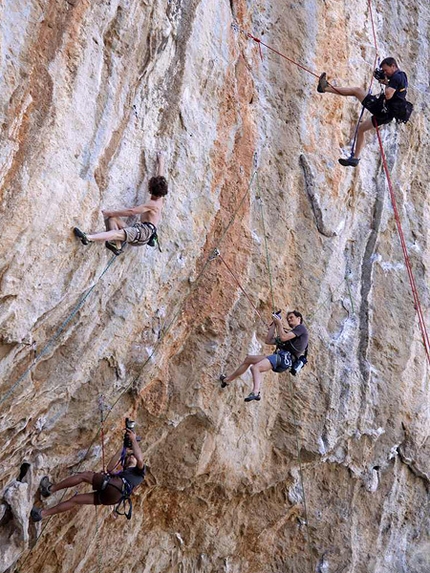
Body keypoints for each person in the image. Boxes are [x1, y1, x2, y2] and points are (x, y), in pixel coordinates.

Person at [30, 428, 145, 522]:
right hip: (113, 498)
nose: (132, 456)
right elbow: (110, 468)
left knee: (83, 476)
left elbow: (140, 459)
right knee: (75, 500)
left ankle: (50, 489)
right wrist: (122, 449)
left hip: (116, 488)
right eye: (130, 456)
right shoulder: (122, 473)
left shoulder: (139, 473)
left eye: (133, 456)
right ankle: (41, 514)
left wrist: (133, 440)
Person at [317, 57, 409, 167]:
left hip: (383, 110)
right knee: (361, 129)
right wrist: (386, 82)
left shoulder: (397, 76)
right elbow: (395, 93)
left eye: (385, 70)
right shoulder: (402, 76)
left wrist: (387, 83)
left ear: (393, 66)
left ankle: (325, 88)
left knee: (357, 91)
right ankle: (355, 159)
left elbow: (388, 94)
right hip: (387, 114)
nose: (385, 73)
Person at [73, 151, 168, 255]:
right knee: (112, 219)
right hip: (142, 233)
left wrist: (110, 212)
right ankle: (116, 245)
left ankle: (88, 238)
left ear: (151, 189)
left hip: (143, 233)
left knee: (115, 233)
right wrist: (161, 160)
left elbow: (131, 211)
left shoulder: (152, 204)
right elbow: (160, 178)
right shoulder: (159, 198)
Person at [219, 310, 309, 402]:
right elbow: (268, 340)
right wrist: (274, 324)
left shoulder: (301, 328)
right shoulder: (291, 335)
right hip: (281, 358)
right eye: (288, 318)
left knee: (255, 368)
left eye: (291, 317)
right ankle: (227, 380)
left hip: (283, 358)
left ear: (299, 318)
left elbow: (283, 337)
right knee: (248, 359)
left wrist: (279, 323)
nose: (289, 320)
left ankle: (255, 392)